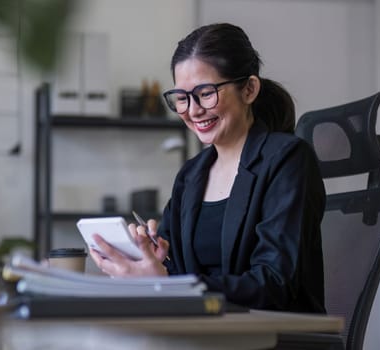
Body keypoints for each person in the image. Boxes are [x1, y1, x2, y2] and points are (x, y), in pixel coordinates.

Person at [90, 23, 326, 313]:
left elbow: (274, 283)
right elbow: (175, 268)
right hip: (206, 332)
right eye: (181, 98)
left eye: (205, 93)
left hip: (272, 336)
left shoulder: (287, 159)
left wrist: (167, 281)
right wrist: (152, 260)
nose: (192, 110)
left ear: (249, 89)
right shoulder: (191, 175)